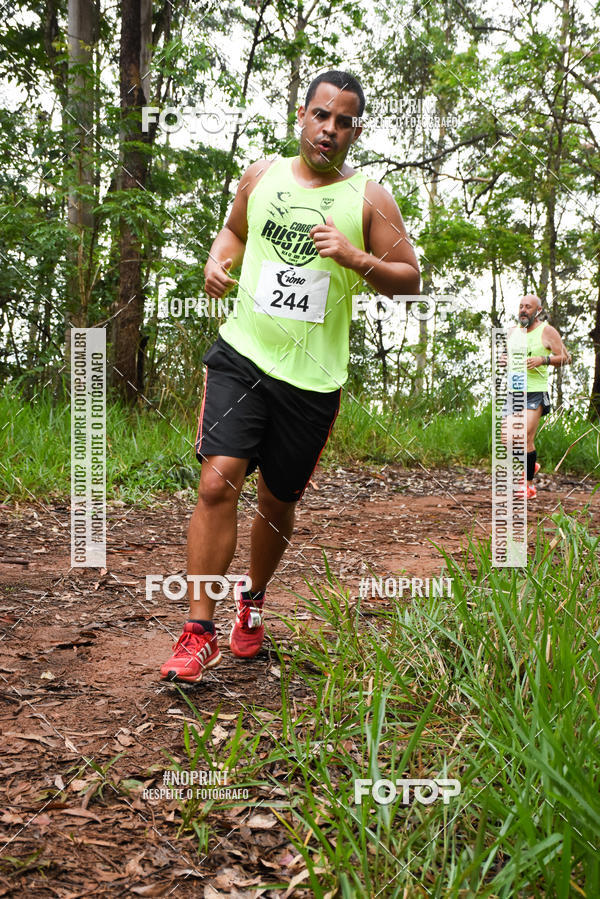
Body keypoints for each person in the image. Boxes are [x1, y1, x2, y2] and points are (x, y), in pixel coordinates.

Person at [160, 70, 420, 682]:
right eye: (321, 115)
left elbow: (410, 279)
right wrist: (215, 262)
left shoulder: (370, 200)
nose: (330, 129)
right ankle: (197, 632)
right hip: (242, 354)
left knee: (276, 503)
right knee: (218, 483)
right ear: (301, 116)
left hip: (312, 379)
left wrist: (357, 257)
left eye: (344, 121)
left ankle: (251, 605)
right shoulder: (261, 175)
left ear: (355, 131)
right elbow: (233, 231)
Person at [505, 295, 571, 499]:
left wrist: (543, 359)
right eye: (521, 306)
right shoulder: (513, 332)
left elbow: (566, 358)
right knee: (507, 439)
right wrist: (504, 359)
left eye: (528, 307)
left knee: (524, 436)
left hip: (535, 391)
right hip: (514, 391)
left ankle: (528, 486)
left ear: (538, 310)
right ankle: (531, 465)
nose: (523, 310)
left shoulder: (547, 331)